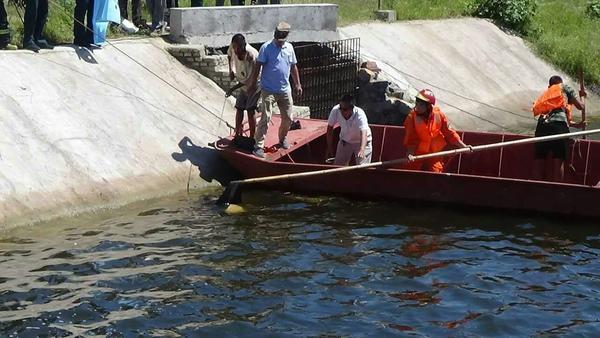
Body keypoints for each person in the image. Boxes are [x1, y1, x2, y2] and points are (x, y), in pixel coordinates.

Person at [247, 21, 302, 158]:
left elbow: (293, 67)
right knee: (266, 118)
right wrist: (253, 84)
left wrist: (297, 84)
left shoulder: (289, 48)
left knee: (288, 117)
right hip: (268, 90)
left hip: (285, 90)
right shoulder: (266, 48)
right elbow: (257, 66)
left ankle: (282, 138)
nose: (279, 42)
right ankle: (258, 146)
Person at [532, 75, 586, 182]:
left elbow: (563, 119)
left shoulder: (546, 95)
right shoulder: (564, 87)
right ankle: (556, 192)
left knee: (539, 160)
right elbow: (581, 106)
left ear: (549, 86)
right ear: (560, 83)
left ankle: (536, 190)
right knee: (558, 160)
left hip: (542, 126)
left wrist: (578, 125)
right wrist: (582, 97)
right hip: (558, 127)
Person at [403, 89, 469, 172]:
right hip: (418, 152)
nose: (417, 107)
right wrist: (410, 154)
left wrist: (463, 146)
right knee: (409, 170)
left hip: (435, 153)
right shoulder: (411, 118)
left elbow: (449, 133)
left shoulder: (439, 115)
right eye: (417, 104)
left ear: (428, 106)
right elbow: (411, 138)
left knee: (436, 172)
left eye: (421, 105)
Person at [226, 33, 260, 138]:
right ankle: (238, 133)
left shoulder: (251, 55)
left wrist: (232, 89)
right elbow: (229, 56)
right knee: (239, 108)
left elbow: (249, 80)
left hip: (254, 84)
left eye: (238, 49)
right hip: (243, 84)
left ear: (243, 46)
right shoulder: (233, 47)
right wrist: (231, 70)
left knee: (250, 110)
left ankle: (252, 137)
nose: (236, 51)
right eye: (234, 48)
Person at [326, 95, 372, 166]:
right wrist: (329, 147)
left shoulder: (359, 114)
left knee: (363, 168)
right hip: (345, 141)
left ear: (351, 108)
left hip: (362, 142)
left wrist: (362, 149)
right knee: (338, 166)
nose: (341, 111)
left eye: (344, 109)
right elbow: (329, 128)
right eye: (340, 108)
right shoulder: (336, 110)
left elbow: (364, 132)